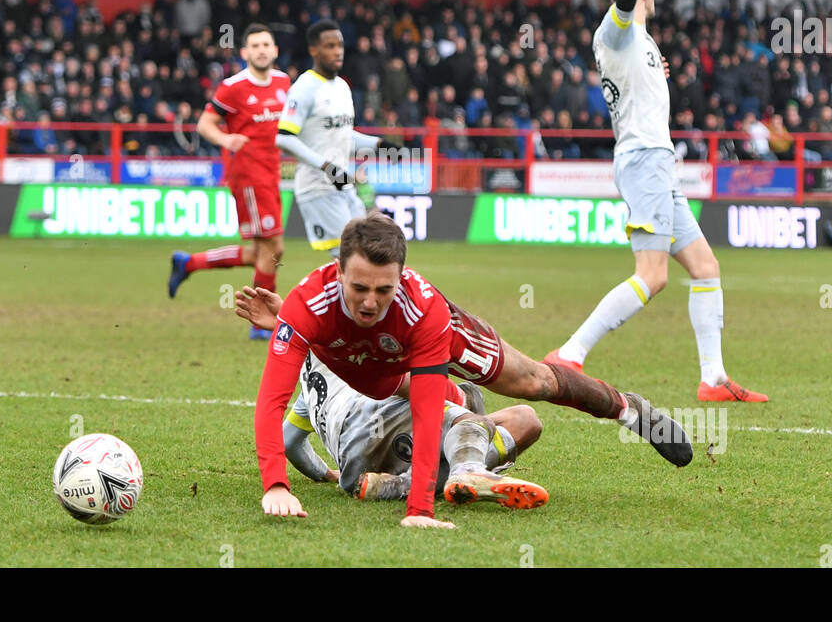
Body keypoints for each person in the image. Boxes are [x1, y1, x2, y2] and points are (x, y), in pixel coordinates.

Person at [250, 212, 691, 528]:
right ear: (337, 272)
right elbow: (270, 402)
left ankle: (628, 410)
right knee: (431, 400)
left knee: (534, 382)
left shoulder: (423, 310)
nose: (370, 301)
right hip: (384, 375)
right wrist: (275, 486)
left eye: (383, 290)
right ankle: (462, 456)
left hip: (437, 342)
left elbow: (425, 410)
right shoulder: (305, 306)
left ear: (402, 278)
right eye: (359, 288)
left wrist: (419, 510)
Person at [545, 0, 768, 403]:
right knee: (653, 276)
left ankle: (713, 379)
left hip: (658, 165)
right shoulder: (618, 29)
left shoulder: (642, 43)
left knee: (706, 267)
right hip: (643, 162)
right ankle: (570, 353)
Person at [253, 339, 549, 510]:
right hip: (371, 414)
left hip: (354, 464)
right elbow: (406, 384)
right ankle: (468, 470)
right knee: (496, 419)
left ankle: (400, 484)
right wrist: (459, 401)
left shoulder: (308, 387)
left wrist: (325, 474)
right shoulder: (348, 341)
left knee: (522, 418)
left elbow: (289, 441)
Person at [168, 25, 291, 340]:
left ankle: (188, 264)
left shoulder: (283, 83)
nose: (261, 50)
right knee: (273, 247)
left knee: (259, 252)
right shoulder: (233, 87)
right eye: (255, 45)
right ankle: (260, 322)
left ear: (275, 50)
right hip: (248, 175)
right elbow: (204, 123)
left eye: (266, 44)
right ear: (245, 52)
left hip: (272, 171)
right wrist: (226, 138)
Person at [274, 20, 378, 254]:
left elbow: (341, 136)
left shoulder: (342, 86)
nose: (337, 51)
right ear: (314, 50)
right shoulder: (304, 88)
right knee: (351, 257)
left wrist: (378, 145)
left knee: (366, 254)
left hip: (343, 184)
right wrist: (326, 166)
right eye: (329, 46)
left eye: (340, 45)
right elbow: (283, 138)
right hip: (317, 187)